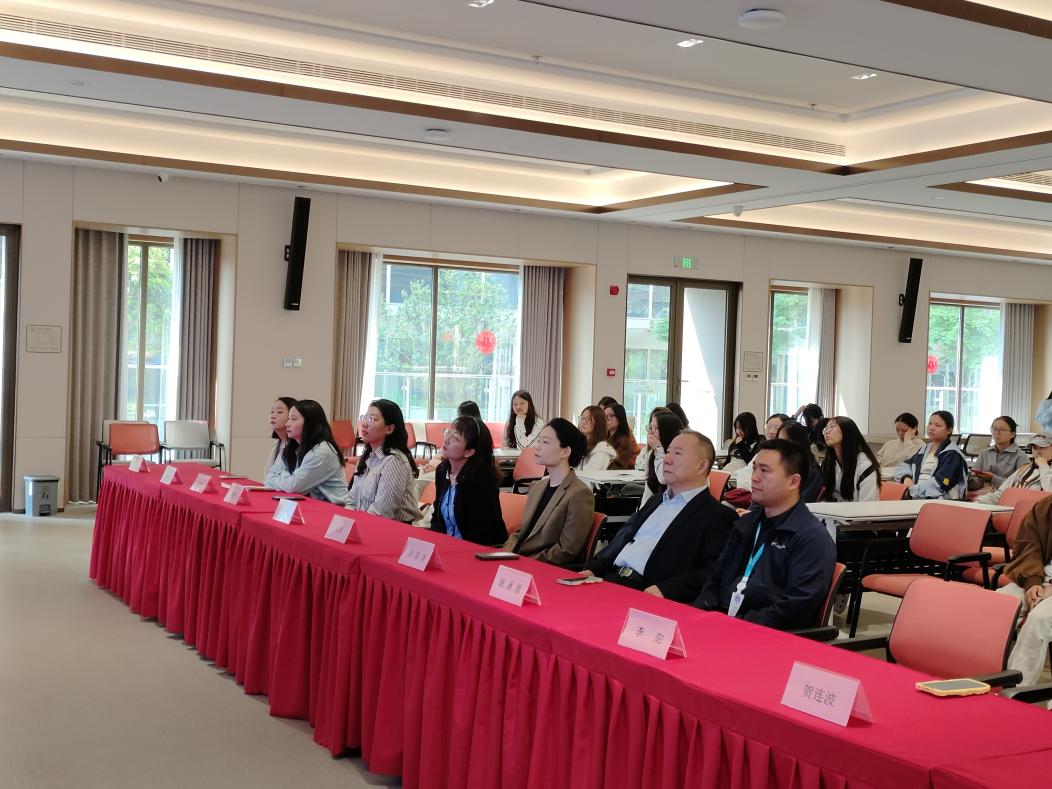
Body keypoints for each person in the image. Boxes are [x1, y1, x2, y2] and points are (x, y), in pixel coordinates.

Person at [695, 439, 836, 631]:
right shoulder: (747, 524)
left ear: (793, 481)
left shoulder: (811, 538)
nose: (754, 478)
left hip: (761, 634)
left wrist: (737, 626)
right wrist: (704, 611)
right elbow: (715, 578)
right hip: (721, 622)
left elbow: (796, 608)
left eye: (765, 471)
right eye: (754, 469)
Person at [581, 431, 736, 602]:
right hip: (611, 580)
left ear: (701, 466)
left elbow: (713, 570)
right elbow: (625, 541)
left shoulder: (717, 515)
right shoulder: (655, 501)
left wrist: (667, 590)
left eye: (677, 453)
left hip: (649, 593)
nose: (667, 459)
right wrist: (594, 569)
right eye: (668, 451)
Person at [503, 419, 594, 565]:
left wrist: (524, 562)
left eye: (545, 442)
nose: (537, 447)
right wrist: (504, 554)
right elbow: (523, 532)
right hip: (516, 561)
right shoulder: (538, 486)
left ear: (565, 451)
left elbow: (566, 550)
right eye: (539, 441)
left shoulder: (579, 494)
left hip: (542, 568)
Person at [998, 495, 1052, 684]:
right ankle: (979, 678)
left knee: (1039, 619)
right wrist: (1033, 582)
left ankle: (1016, 690)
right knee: (998, 605)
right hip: (1040, 575)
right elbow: (1028, 545)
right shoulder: (1046, 506)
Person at [429, 416, 506, 546]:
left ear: (469, 452)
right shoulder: (442, 471)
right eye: (448, 432)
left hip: (480, 549)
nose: (446, 439)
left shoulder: (481, 481)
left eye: (455, 438)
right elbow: (436, 517)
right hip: (449, 546)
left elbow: (479, 533)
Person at [348, 399, 423, 523]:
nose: (364, 424)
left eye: (372, 419)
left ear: (389, 429)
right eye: (364, 418)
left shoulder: (394, 461)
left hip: (395, 529)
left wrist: (355, 524)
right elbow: (351, 501)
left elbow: (381, 513)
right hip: (365, 523)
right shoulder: (366, 457)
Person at [264, 399, 348, 504]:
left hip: (334, 509)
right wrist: (287, 478)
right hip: (311, 505)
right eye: (288, 419)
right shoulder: (293, 446)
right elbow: (268, 478)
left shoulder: (321, 452)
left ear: (310, 423)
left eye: (293, 419)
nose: (287, 424)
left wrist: (282, 473)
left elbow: (293, 487)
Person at [894, 411, 968, 500]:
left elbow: (939, 485)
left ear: (949, 430)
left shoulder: (953, 454)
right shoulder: (924, 449)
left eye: (937, 425)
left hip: (940, 502)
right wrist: (906, 478)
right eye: (930, 424)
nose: (931, 428)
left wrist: (912, 490)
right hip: (917, 498)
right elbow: (904, 465)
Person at [977, 433, 1052, 504]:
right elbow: (1001, 493)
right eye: (1034, 448)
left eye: (1043, 447)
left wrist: (1043, 466)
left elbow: (1050, 491)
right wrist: (978, 502)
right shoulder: (1024, 469)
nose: (1038, 452)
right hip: (1012, 509)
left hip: (1036, 511)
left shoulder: (1046, 470)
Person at [820, 416, 881, 502]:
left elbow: (867, 506)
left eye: (832, 427)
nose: (826, 432)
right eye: (826, 428)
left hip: (861, 510)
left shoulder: (865, 466)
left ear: (847, 431)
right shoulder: (828, 462)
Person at [635, 408, 683, 506]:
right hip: (656, 507)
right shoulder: (652, 454)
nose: (650, 432)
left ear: (666, 431)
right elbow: (648, 491)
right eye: (650, 427)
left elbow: (663, 478)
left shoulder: (680, 455)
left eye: (655, 428)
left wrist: (658, 449)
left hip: (674, 506)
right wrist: (642, 512)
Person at [969, 416, 1028, 493]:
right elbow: (976, 483)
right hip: (981, 493)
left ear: (1012, 434)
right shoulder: (985, 453)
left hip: (1005, 495)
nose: (997, 432)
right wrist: (968, 478)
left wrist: (992, 478)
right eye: (994, 429)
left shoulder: (1020, 456)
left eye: (1002, 429)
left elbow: (1020, 485)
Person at [730, 413, 789, 490]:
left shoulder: (786, 456)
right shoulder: (762, 451)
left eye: (777, 428)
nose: (771, 431)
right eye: (768, 427)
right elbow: (747, 471)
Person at [776, 421, 823, 503]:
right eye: (779, 441)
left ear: (799, 442)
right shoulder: (781, 466)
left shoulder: (812, 471)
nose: (781, 445)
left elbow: (804, 501)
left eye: (786, 441)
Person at [263, 396, 297, 480]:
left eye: (279, 412)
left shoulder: (298, 445)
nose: (273, 416)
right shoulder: (278, 443)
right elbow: (267, 476)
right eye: (272, 411)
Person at [577, 405, 616, 471]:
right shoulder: (583, 445)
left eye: (589, 419)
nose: (583, 422)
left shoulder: (601, 449)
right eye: (582, 418)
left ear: (599, 423)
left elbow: (587, 474)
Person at [603, 402, 636, 469]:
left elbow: (618, 467)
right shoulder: (605, 437)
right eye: (604, 416)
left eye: (610, 416)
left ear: (620, 417)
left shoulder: (624, 442)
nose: (606, 420)